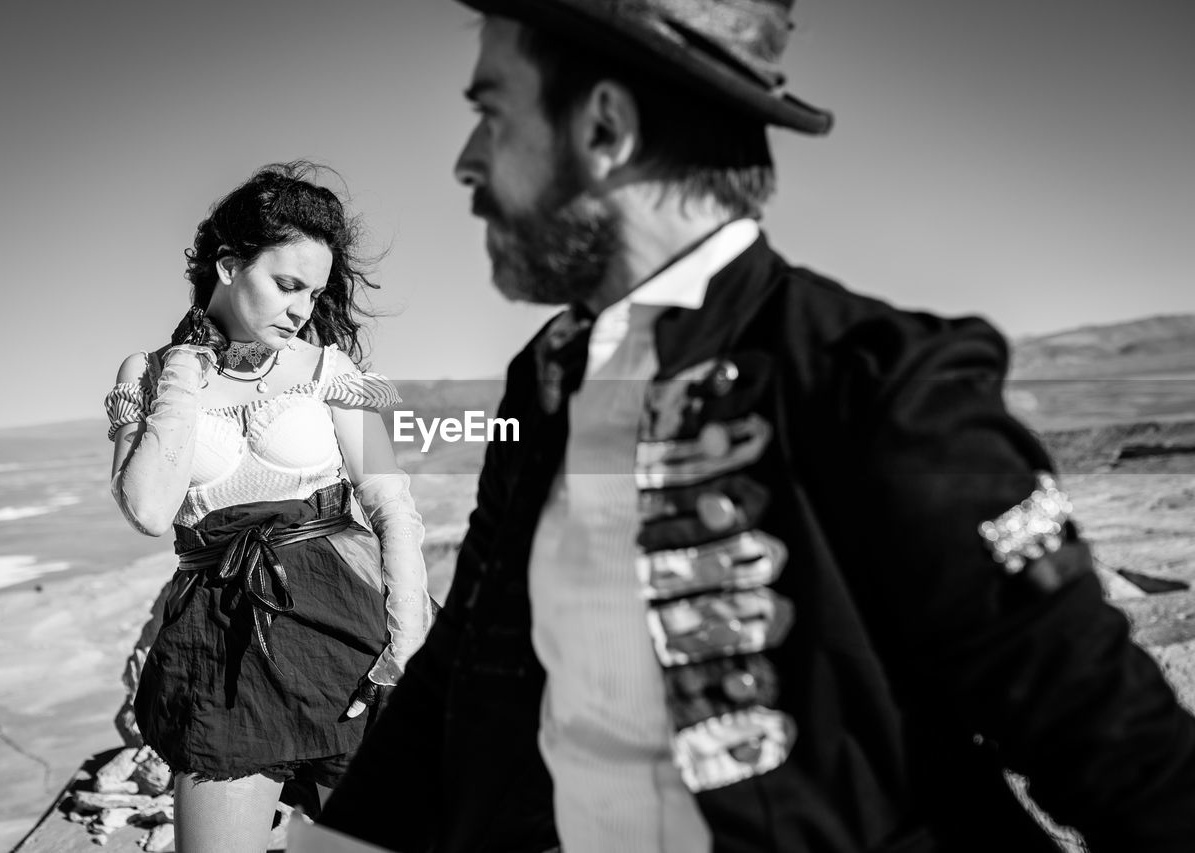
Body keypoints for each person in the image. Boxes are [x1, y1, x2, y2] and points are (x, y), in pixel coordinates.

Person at [298, 3, 1195, 852]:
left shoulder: (871, 379)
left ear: (606, 129)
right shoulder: (550, 376)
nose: (466, 159)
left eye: (492, 113)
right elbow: (471, 659)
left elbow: (1108, 740)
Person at [104, 162, 433, 853]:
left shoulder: (330, 372)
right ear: (228, 265)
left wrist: (406, 645)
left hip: (345, 640)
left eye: (313, 292)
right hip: (220, 653)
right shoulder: (152, 373)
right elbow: (149, 508)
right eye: (287, 284)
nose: (301, 308)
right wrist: (184, 379)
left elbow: (393, 508)